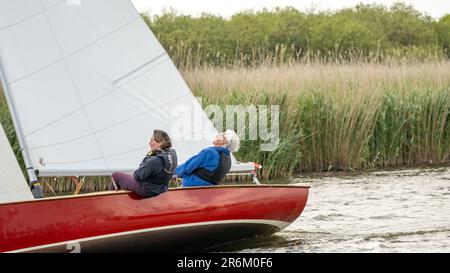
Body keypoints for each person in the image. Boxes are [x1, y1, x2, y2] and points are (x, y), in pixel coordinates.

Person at [110, 129, 177, 198]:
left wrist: (148, 156)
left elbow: (138, 176)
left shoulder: (154, 160)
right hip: (162, 188)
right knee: (128, 177)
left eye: (152, 141)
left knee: (115, 175)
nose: (149, 143)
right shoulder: (171, 154)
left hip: (147, 190)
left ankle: (111, 201)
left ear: (159, 143)